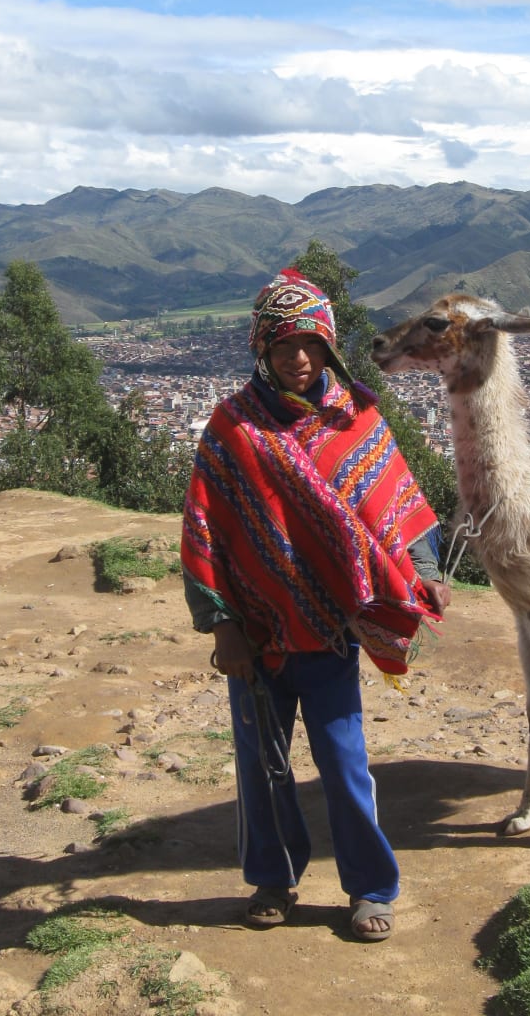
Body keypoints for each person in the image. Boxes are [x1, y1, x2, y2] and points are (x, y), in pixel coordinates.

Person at [181, 269, 450, 942]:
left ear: (328, 346)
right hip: (256, 632)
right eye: (282, 346)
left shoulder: (357, 417)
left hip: (329, 630)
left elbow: (399, 504)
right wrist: (220, 623)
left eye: (309, 344)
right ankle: (274, 880)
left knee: (343, 761)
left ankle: (370, 888)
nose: (297, 358)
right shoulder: (232, 427)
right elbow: (204, 525)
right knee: (263, 766)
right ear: (261, 351)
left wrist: (425, 570)